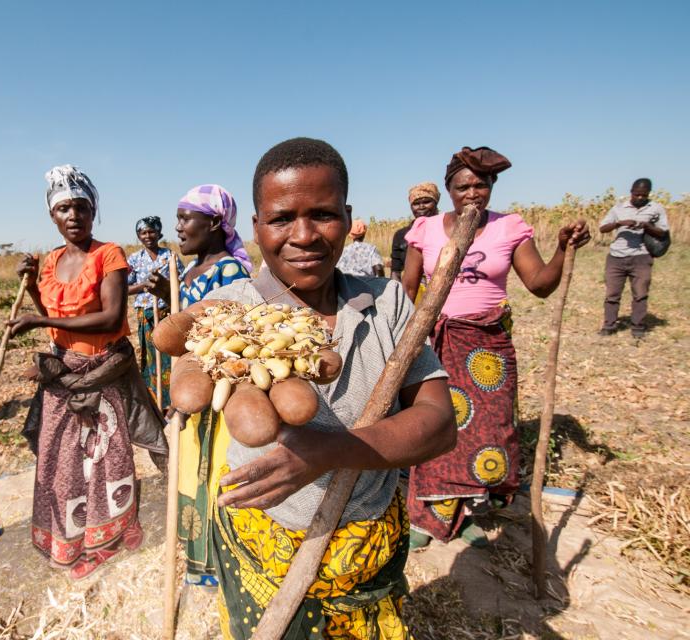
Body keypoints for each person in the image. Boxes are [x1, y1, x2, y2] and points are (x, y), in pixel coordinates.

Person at [199, 137, 455, 639]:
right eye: (280, 219)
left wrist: (331, 451)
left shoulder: (387, 305)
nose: (304, 235)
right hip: (263, 540)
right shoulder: (231, 311)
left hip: (363, 541)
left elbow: (440, 425)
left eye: (322, 214)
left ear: (348, 215)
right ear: (255, 227)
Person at [402, 146, 590, 549]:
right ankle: (429, 515)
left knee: (486, 431)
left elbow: (539, 284)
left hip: (487, 347)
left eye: (481, 185)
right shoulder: (426, 231)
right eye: (463, 186)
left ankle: (466, 511)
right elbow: (407, 288)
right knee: (436, 423)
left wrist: (562, 249)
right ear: (449, 190)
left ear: (492, 186)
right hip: (438, 341)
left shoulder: (509, 228)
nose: (472, 193)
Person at [8, 165, 167, 580]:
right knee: (61, 462)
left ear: (93, 212)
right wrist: (31, 287)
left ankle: (110, 537)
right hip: (64, 372)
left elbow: (110, 316)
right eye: (64, 209)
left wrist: (39, 324)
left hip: (103, 370)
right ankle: (69, 540)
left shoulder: (108, 254)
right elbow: (53, 315)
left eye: (81, 207)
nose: (73, 215)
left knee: (106, 459)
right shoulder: (51, 261)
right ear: (52, 216)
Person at [148, 183, 252, 587]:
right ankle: (197, 559)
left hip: (215, 395)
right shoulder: (191, 270)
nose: (178, 228)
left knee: (214, 473)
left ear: (212, 223)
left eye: (184, 218)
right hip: (189, 391)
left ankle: (219, 563)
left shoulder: (232, 270)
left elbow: (229, 336)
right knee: (191, 471)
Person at [598, 178, 670, 338]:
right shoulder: (618, 208)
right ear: (631, 192)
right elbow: (603, 228)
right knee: (612, 294)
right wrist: (619, 223)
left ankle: (638, 327)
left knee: (640, 293)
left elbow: (663, 232)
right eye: (636, 194)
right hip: (616, 256)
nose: (639, 198)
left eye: (643, 195)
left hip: (641, 257)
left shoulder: (656, 209)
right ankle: (609, 326)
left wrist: (646, 225)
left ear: (648, 194)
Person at [126, 216, 183, 411]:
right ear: (138, 236)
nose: (148, 236)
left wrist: (164, 288)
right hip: (146, 312)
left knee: (168, 352)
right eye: (143, 233)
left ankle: (170, 400)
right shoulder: (134, 259)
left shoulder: (170, 256)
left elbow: (180, 283)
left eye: (152, 231)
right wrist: (144, 286)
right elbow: (123, 287)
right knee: (149, 355)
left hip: (167, 311)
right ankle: (153, 399)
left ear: (159, 233)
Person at [390, 182, 441, 281]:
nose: (421, 207)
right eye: (416, 204)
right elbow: (395, 272)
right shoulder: (401, 235)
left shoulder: (446, 229)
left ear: (436, 203)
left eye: (426, 202)